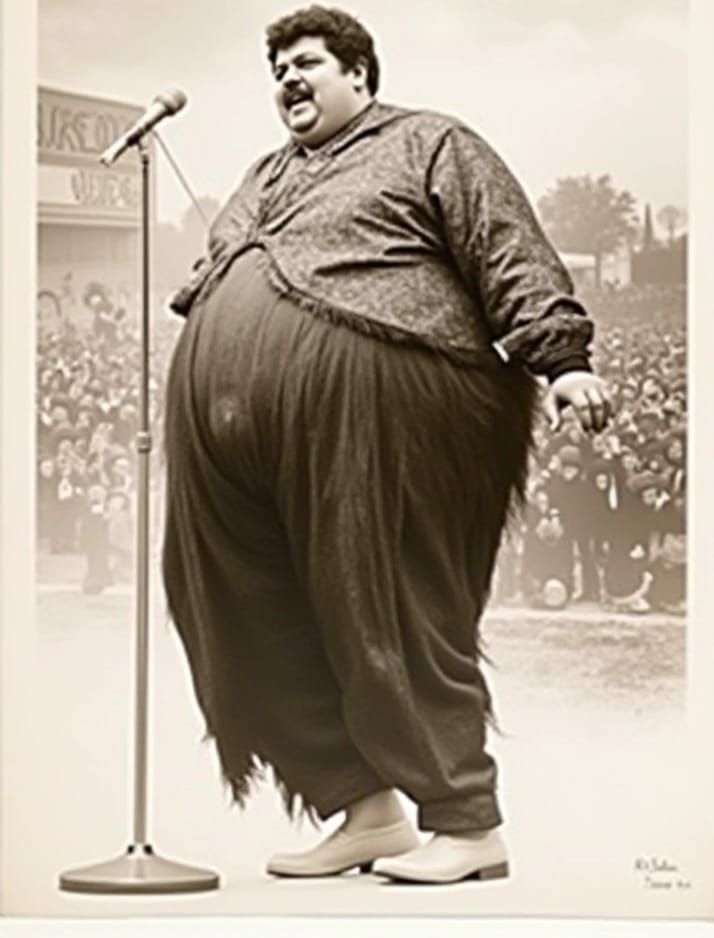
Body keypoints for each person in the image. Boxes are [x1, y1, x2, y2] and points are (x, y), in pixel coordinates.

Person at [161, 5, 612, 885]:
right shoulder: (261, 175)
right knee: (243, 609)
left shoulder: (430, 144)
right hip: (245, 454)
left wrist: (561, 361)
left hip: (387, 415)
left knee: (386, 601)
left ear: (360, 75)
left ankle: (466, 821)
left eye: (309, 63)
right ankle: (361, 807)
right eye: (279, 69)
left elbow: (504, 247)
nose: (289, 79)